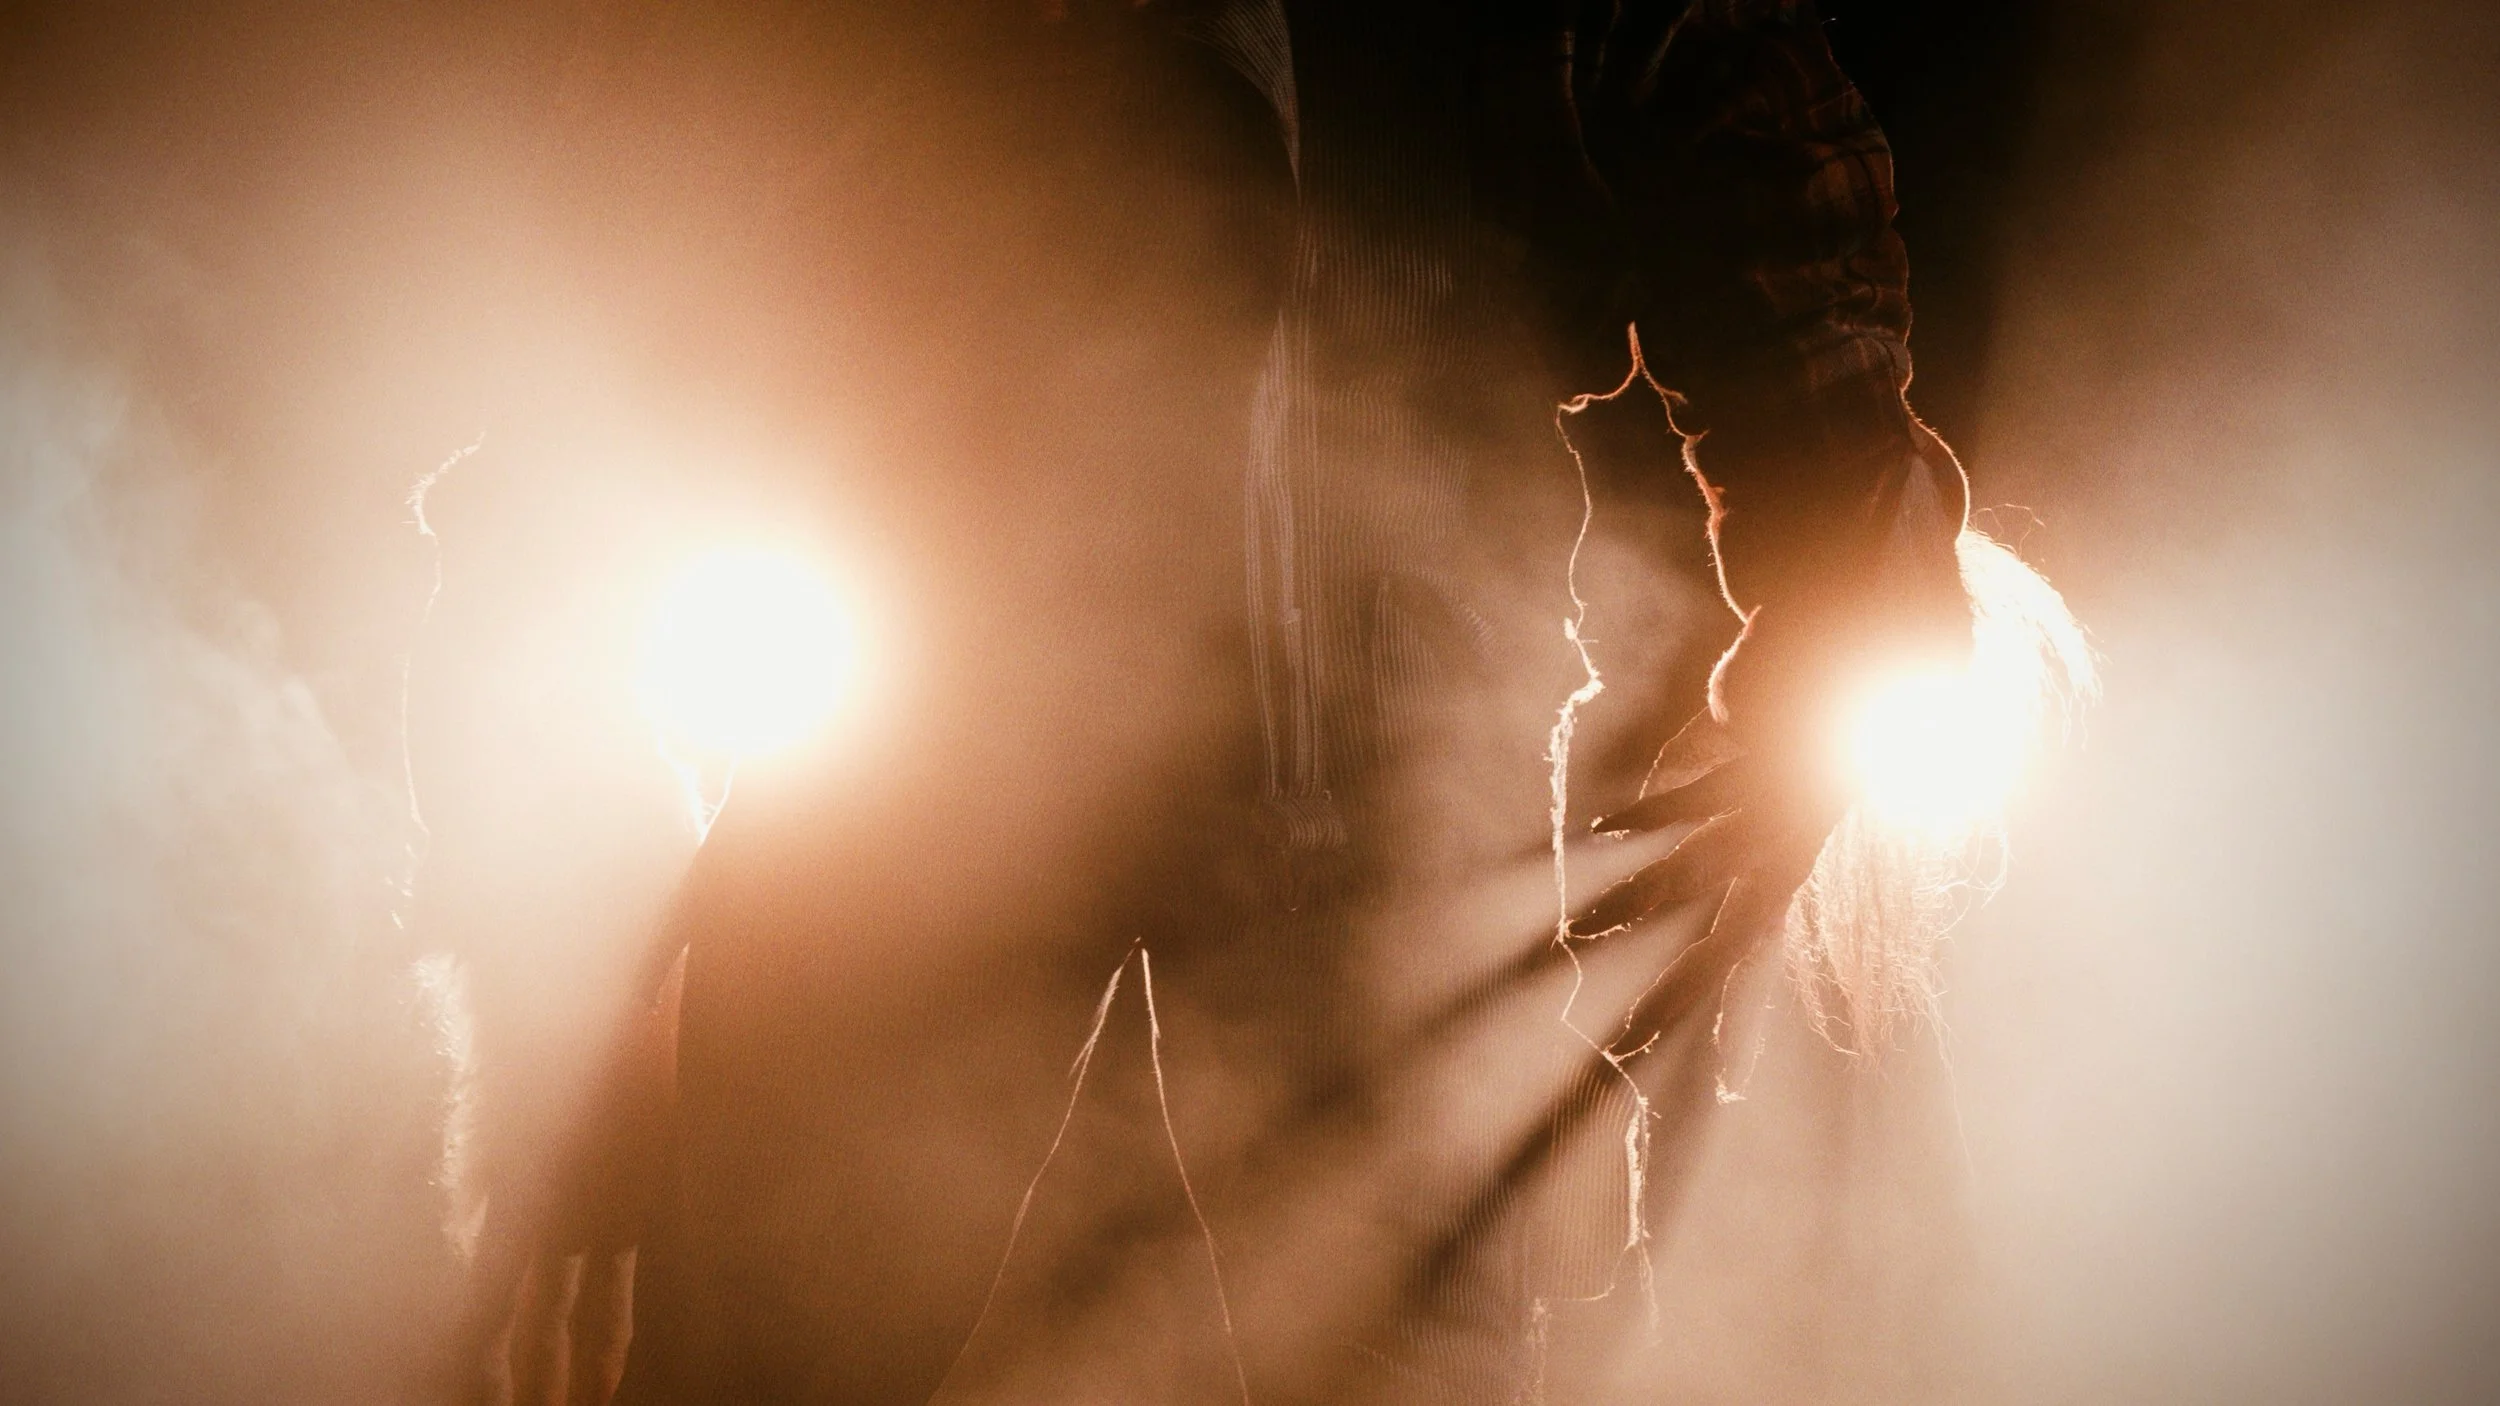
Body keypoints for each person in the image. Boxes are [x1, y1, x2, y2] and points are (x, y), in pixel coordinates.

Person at [466, 2, 1975, 1401]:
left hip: (1345, 657)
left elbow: (1708, 64)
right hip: (988, 633)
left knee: (1386, 1341)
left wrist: (1846, 527)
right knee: (785, 1316)